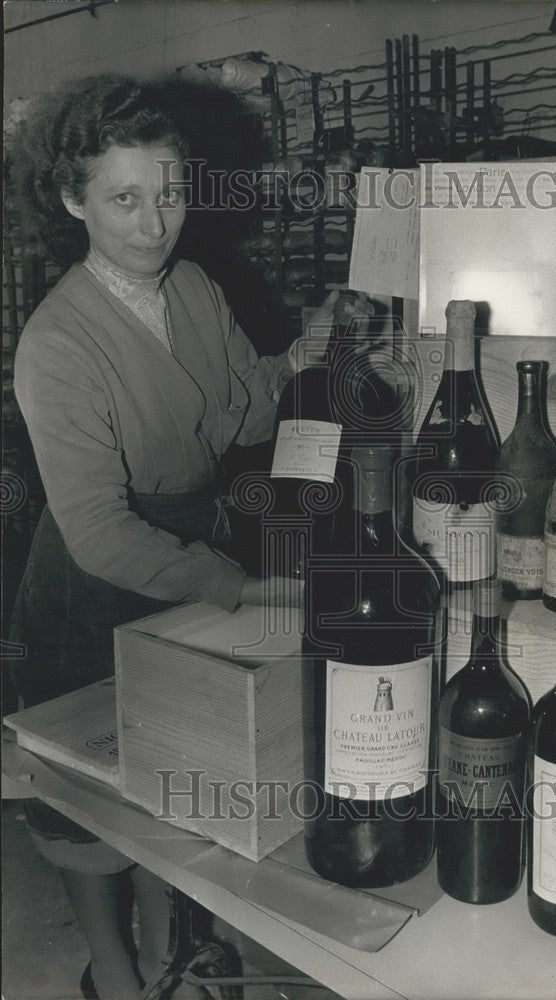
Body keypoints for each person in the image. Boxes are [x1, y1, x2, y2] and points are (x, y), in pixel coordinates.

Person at [8, 72, 352, 1000]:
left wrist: (312, 351)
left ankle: (170, 957)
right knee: (92, 809)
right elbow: (96, 529)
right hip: (97, 577)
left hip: (195, 547)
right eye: (123, 198)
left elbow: (246, 406)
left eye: (169, 191)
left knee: (179, 778)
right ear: (74, 200)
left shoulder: (194, 286)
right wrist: (234, 587)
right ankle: (114, 976)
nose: (153, 222)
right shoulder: (57, 343)